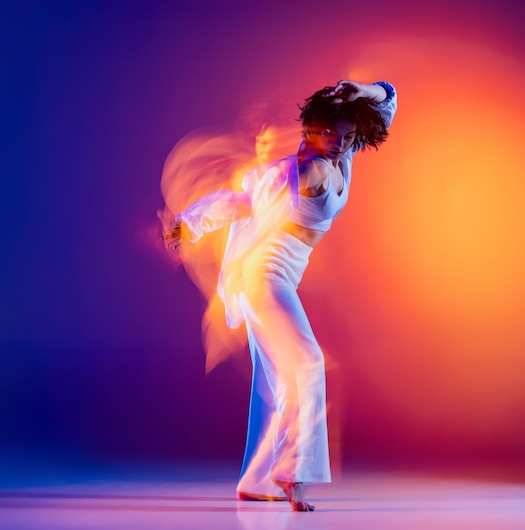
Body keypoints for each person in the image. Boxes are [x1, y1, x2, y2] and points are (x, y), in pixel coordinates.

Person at [163, 79, 397, 511]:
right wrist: (188, 224)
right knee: (306, 364)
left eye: (348, 135)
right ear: (310, 128)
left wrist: (365, 90)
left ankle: (258, 480)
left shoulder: (342, 155)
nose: (339, 143)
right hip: (263, 276)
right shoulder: (299, 170)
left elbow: (388, 103)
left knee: (274, 378)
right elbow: (239, 202)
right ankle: (293, 477)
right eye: (331, 133)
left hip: (284, 277)